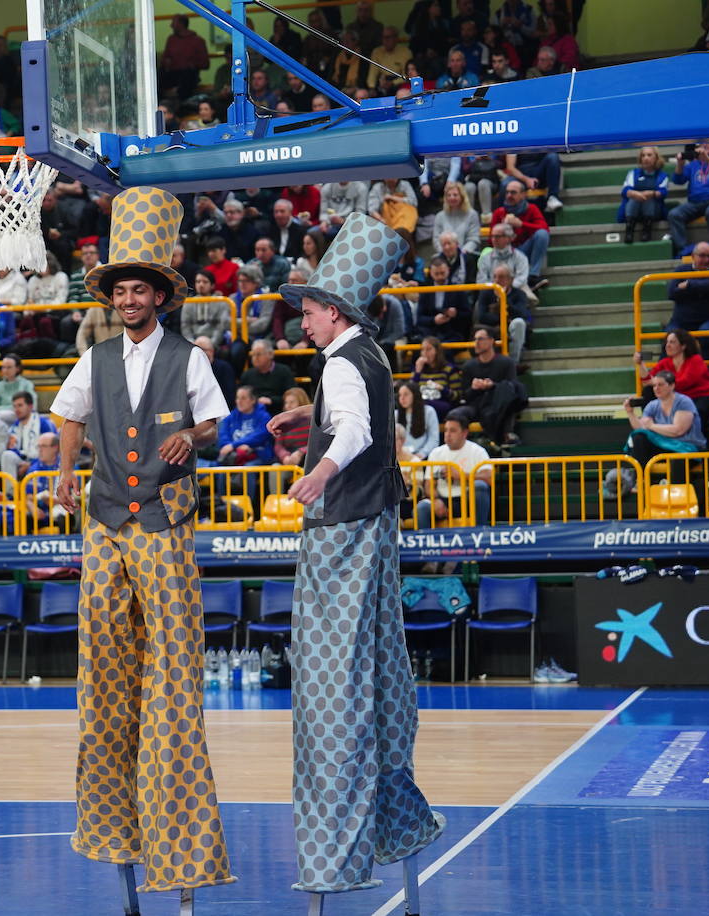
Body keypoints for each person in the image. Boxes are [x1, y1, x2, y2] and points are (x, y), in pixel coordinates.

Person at [50, 186, 234, 902]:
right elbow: (68, 416)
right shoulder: (92, 358)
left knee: (172, 672)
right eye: (120, 290)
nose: (129, 300)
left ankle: (178, 835)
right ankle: (112, 824)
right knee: (103, 664)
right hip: (104, 520)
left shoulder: (189, 357)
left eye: (139, 290)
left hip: (162, 519)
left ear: (159, 297)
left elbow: (217, 423)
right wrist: (65, 471)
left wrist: (192, 433)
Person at [261, 214, 444, 904]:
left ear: (332, 311)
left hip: (342, 533)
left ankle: (332, 863)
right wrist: (310, 428)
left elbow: (359, 429)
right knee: (375, 674)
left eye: (306, 310)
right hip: (377, 529)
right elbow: (355, 415)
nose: (300, 321)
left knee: (330, 688)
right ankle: (395, 829)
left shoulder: (340, 360)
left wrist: (320, 471)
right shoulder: (368, 353)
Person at [618, 371, 706, 485]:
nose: (656, 388)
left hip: (687, 447)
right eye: (654, 385)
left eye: (661, 384)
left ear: (672, 385)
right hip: (664, 445)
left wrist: (652, 426)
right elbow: (641, 428)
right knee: (639, 437)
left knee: (678, 459)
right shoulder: (652, 405)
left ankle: (677, 495)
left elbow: (678, 430)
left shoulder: (684, 402)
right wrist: (630, 413)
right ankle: (642, 480)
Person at [418, 413, 493, 526]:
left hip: (467, 500)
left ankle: (480, 533)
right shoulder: (436, 453)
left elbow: (489, 477)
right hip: (444, 499)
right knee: (422, 508)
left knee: (480, 486)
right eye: (446, 430)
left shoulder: (477, 451)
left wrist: (462, 475)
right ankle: (428, 543)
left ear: (464, 433)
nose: (447, 434)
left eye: (452, 431)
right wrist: (435, 499)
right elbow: (429, 484)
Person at [459, 325, 525, 447]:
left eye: (480, 339)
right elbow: (465, 396)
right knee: (456, 414)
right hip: (476, 406)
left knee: (504, 404)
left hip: (498, 404)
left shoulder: (506, 362)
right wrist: (474, 388)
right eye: (475, 339)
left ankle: (503, 437)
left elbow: (513, 388)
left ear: (491, 340)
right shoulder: (468, 366)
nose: (476, 343)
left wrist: (492, 385)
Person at [667, 142, 709, 256]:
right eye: (702, 143)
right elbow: (678, 180)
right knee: (674, 214)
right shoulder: (694, 163)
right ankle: (682, 251)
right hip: (695, 202)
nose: (704, 145)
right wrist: (680, 163)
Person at [665, 242, 709, 361]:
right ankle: (666, 376)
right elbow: (672, 293)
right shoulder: (681, 270)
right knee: (669, 337)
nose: (707, 259)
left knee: (706, 335)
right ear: (693, 256)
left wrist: (689, 285)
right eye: (702, 256)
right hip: (681, 321)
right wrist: (705, 287)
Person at [490, 180, 550, 289]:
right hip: (506, 252)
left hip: (525, 248)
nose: (509, 195)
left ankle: (533, 275)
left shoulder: (531, 209)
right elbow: (491, 240)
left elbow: (545, 228)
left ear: (523, 194)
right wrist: (502, 231)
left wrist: (521, 224)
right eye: (507, 192)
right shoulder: (499, 212)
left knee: (542, 234)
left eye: (513, 192)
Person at [474, 263, 533, 366]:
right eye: (495, 277)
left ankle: (513, 363)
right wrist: (503, 319)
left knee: (519, 323)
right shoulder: (485, 293)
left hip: (512, 328)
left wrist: (504, 300)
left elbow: (522, 314)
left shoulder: (520, 294)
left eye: (501, 277)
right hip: (492, 328)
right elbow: (482, 317)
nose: (497, 280)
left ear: (510, 279)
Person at [0, 390, 57, 485]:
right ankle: (10, 495)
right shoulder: (14, 427)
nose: (16, 409)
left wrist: (31, 464)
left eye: (20, 405)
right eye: (14, 406)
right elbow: (12, 448)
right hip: (23, 460)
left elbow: (53, 448)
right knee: (7, 455)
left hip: (41, 460)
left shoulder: (43, 423)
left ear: (30, 406)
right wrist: (24, 463)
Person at [619, 146, 670, 244]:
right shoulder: (633, 173)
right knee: (634, 198)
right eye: (643, 155)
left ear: (656, 158)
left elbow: (663, 192)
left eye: (649, 155)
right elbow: (625, 190)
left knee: (648, 199)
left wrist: (652, 193)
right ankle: (629, 230)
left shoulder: (662, 175)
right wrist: (634, 193)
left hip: (654, 211)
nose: (646, 158)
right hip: (634, 208)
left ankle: (647, 229)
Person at [411, 335, 462, 419]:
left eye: (429, 349)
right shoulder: (418, 369)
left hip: (442, 404)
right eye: (423, 349)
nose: (425, 353)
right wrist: (417, 373)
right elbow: (411, 392)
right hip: (421, 406)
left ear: (437, 351)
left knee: (423, 406)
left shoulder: (449, 369)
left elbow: (458, 396)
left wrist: (442, 389)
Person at [396, 380, 441, 459]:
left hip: (423, 457)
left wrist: (421, 454)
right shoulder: (395, 414)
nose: (402, 398)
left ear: (415, 395)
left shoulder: (429, 411)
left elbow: (434, 439)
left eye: (406, 394)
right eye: (400, 395)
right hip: (400, 458)